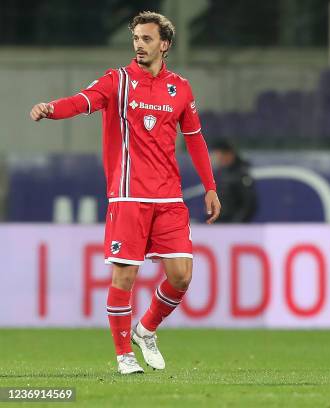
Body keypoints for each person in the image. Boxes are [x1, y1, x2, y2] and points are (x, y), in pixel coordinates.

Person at [29, 11, 221, 375]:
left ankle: (145, 329)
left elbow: (195, 139)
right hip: (128, 195)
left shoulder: (180, 87)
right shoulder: (117, 81)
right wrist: (51, 109)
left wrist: (210, 186)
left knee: (181, 276)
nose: (138, 45)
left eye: (146, 39)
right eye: (135, 39)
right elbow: (82, 100)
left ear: (164, 44)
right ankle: (123, 355)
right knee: (124, 278)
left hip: (168, 198)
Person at [211, 139, 257, 223]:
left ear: (229, 154)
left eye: (220, 157)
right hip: (219, 224)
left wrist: (236, 223)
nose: (218, 160)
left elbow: (249, 204)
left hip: (234, 226)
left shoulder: (241, 174)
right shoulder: (220, 173)